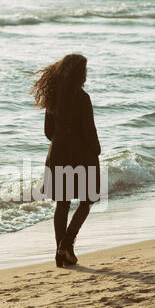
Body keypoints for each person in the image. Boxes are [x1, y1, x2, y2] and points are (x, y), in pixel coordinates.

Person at [30, 53, 101, 267]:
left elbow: (48, 132)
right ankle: (66, 245)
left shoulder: (53, 97)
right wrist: (96, 150)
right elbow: (89, 131)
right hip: (81, 154)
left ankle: (61, 252)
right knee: (88, 200)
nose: (86, 75)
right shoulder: (82, 97)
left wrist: (62, 141)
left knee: (62, 203)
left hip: (58, 152)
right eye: (84, 71)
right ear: (79, 74)